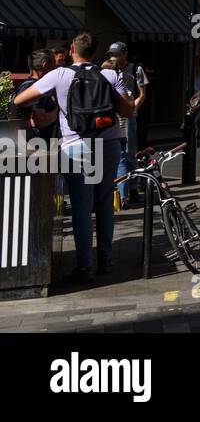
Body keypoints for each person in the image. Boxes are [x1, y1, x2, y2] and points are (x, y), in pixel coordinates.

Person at [14, 33, 132, 285]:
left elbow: (20, 99)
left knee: (81, 208)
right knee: (103, 204)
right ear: (95, 52)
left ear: (71, 51)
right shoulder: (109, 75)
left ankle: (84, 266)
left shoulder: (60, 75)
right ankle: (106, 260)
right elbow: (127, 110)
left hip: (76, 147)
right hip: (108, 143)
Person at [108, 42, 149, 194]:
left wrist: (132, 109)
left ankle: (133, 188)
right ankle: (119, 188)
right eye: (111, 54)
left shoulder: (135, 69)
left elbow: (142, 94)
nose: (113, 57)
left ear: (124, 54)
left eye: (116, 54)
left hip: (128, 115)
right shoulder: (109, 69)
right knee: (116, 153)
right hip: (113, 116)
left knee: (129, 152)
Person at [15, 50, 58, 142]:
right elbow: (39, 120)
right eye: (54, 64)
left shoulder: (27, 86)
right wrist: (60, 111)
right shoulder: (35, 89)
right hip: (36, 146)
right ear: (45, 65)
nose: (56, 68)